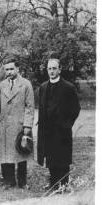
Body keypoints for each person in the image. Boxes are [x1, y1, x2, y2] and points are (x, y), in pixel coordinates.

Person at [37, 58, 80, 191]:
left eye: (54, 68)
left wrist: (67, 124)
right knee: (50, 158)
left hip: (62, 130)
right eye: (49, 69)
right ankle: (54, 184)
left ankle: (64, 184)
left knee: (62, 158)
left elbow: (75, 108)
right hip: (48, 130)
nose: (51, 71)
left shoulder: (68, 87)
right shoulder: (43, 87)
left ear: (60, 69)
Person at [0, 57, 34, 189]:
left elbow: (30, 107)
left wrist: (27, 125)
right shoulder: (1, 86)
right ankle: (9, 180)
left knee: (21, 152)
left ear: (18, 69)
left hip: (20, 125)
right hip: (4, 125)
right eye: (7, 69)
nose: (9, 72)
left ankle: (22, 182)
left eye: (12, 69)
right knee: (6, 154)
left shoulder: (26, 84)